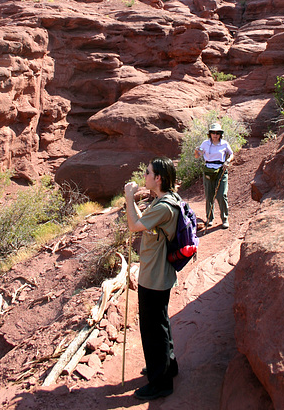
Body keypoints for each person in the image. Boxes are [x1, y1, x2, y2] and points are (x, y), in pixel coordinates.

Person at [124, 156, 180, 401]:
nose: (144, 175)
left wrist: (128, 196)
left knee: (151, 329)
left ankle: (161, 383)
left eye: (147, 172)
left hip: (154, 276)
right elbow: (143, 222)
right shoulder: (165, 200)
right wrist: (135, 203)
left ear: (158, 178)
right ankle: (168, 365)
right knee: (161, 323)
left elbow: (135, 226)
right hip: (160, 273)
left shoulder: (164, 206)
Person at [194, 122, 234, 229]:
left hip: (221, 170)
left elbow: (231, 154)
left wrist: (228, 161)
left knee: (222, 195)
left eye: (217, 133)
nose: (215, 135)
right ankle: (209, 219)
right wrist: (197, 151)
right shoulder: (205, 144)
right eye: (213, 133)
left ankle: (225, 219)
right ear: (210, 134)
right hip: (208, 171)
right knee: (209, 195)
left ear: (221, 134)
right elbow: (198, 155)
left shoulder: (224, 144)